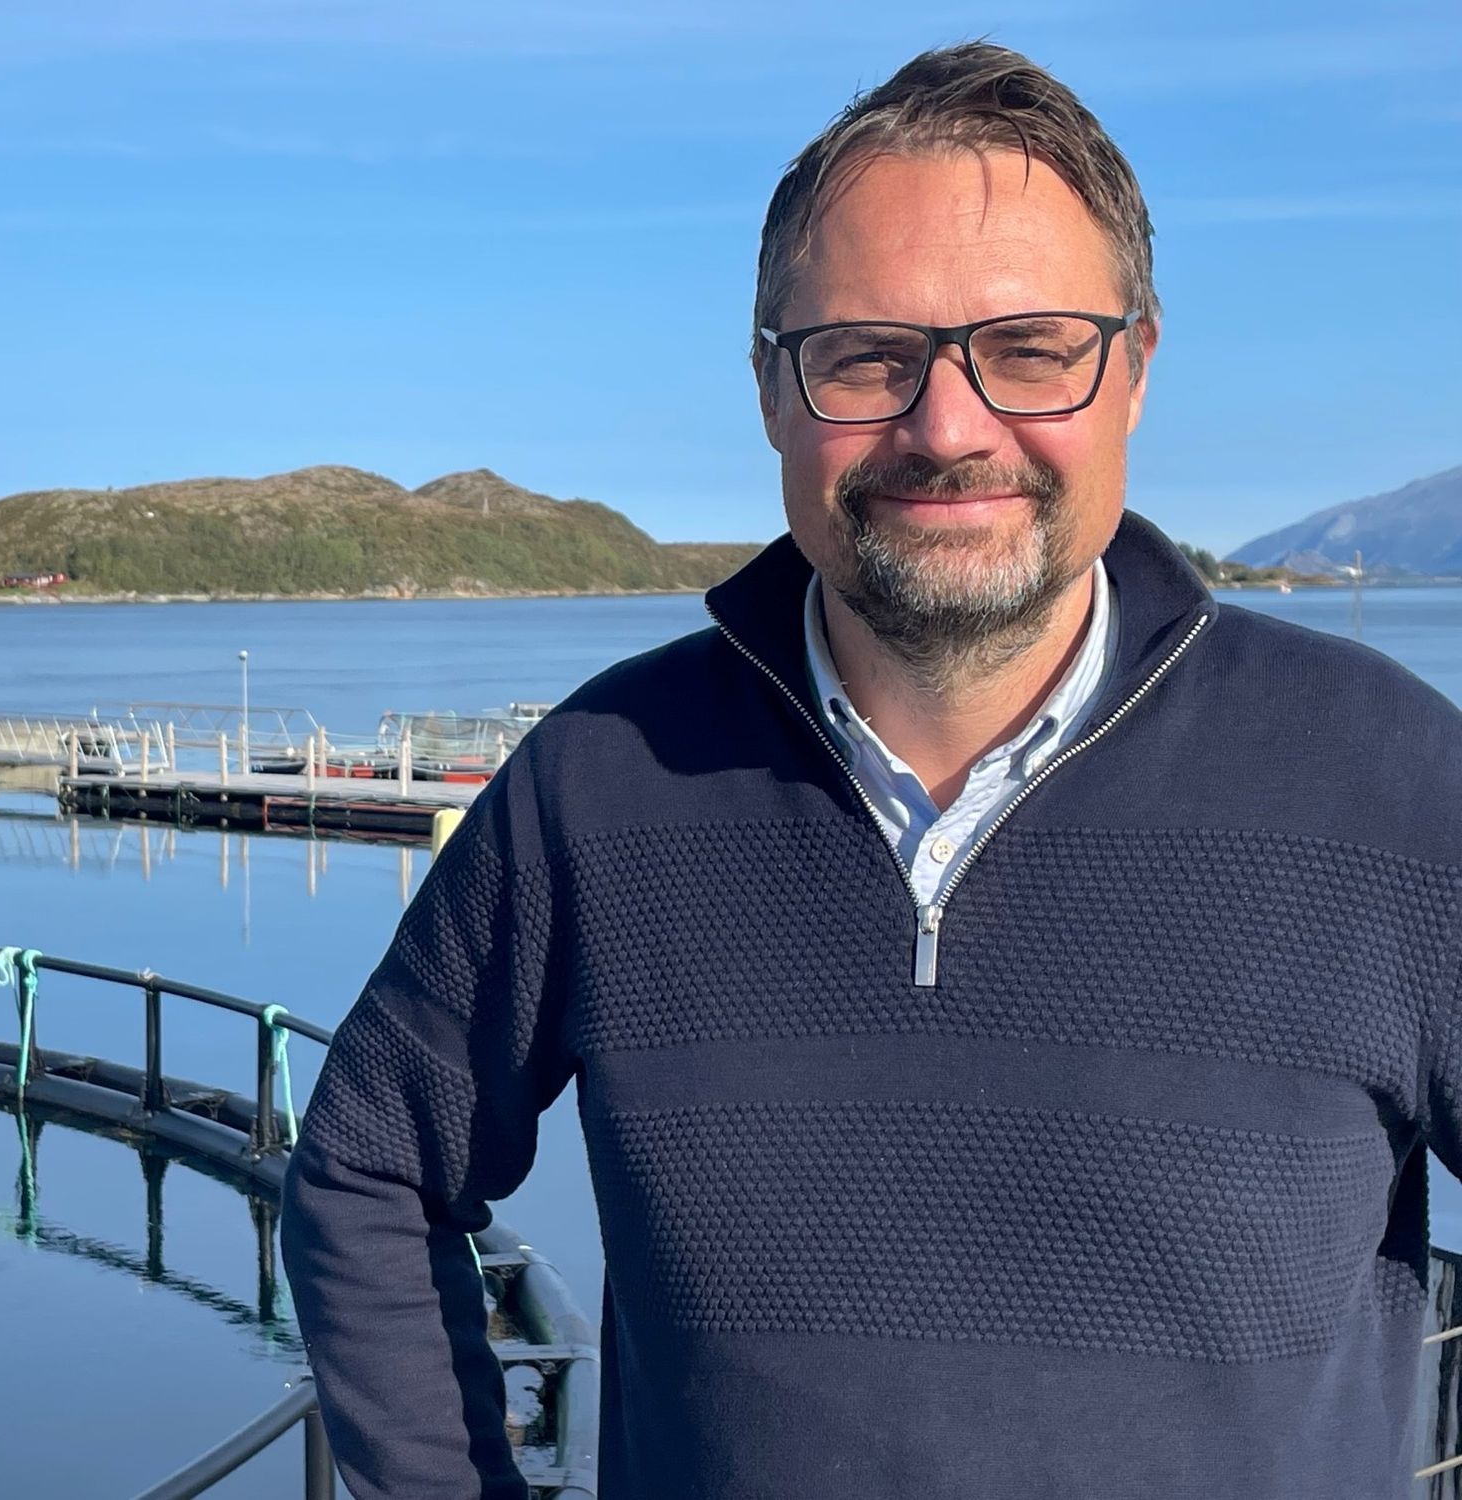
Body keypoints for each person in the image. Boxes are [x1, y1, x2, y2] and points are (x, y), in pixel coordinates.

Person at [280, 40, 1462, 1499]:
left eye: (1032, 348)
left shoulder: (1400, 789)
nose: (947, 427)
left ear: (1137, 371)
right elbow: (369, 1173)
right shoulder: (599, 787)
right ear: (774, 392)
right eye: (865, 358)